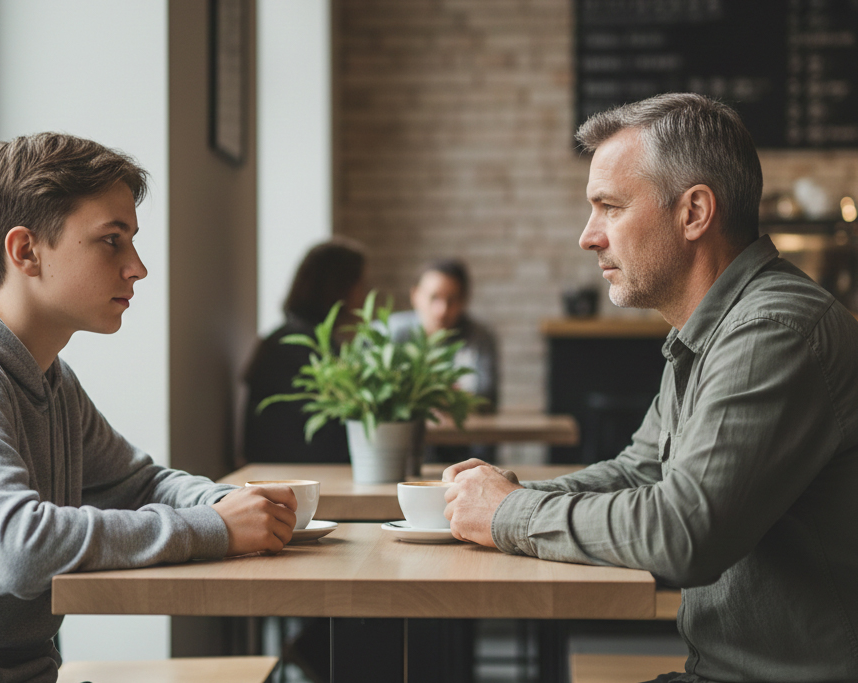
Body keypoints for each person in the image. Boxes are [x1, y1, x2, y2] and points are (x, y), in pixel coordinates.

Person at [0, 133, 298, 683]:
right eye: (111, 241)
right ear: (25, 251)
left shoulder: (46, 375)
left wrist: (227, 502)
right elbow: (16, 549)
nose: (138, 268)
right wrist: (211, 527)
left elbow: (139, 483)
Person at [444, 94, 858, 682]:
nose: (589, 237)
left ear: (694, 213)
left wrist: (510, 513)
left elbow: (683, 532)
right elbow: (640, 471)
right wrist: (505, 496)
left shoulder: (774, 331)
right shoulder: (711, 327)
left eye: (609, 207)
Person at [243, 239, 367, 464]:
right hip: (292, 473)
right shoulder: (297, 347)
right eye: (359, 283)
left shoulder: (290, 337)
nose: (364, 293)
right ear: (340, 288)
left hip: (295, 467)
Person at [388, 259, 498, 462]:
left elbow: (486, 396)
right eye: (433, 298)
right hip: (402, 448)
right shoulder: (392, 333)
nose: (442, 310)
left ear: (465, 300)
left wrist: (423, 399)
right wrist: (450, 397)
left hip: (465, 448)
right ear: (415, 296)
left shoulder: (480, 336)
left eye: (452, 300)